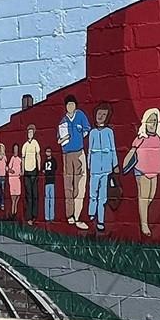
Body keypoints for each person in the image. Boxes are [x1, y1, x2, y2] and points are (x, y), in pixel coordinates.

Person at [121, 107, 160, 237]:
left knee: (150, 196)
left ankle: (143, 214)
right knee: (143, 197)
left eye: (154, 121)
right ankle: (144, 225)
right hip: (141, 171)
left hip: (155, 171)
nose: (152, 124)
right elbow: (132, 150)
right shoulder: (141, 137)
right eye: (150, 121)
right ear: (145, 122)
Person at [58, 94, 92, 227]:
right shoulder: (63, 121)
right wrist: (64, 139)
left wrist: (78, 138)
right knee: (68, 186)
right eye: (68, 105)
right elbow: (59, 139)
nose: (70, 106)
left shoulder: (80, 115)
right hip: (67, 154)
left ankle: (77, 215)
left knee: (80, 184)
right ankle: (69, 215)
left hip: (79, 153)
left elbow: (86, 129)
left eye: (72, 104)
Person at [84, 103, 118, 231]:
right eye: (99, 114)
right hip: (94, 167)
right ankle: (91, 212)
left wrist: (115, 164)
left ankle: (101, 220)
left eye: (104, 115)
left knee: (103, 196)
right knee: (93, 193)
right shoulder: (92, 132)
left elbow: (113, 148)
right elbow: (89, 150)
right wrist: (88, 165)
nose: (101, 117)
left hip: (106, 168)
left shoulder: (109, 132)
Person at [18, 124, 43, 222]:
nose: (30, 134)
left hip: (34, 170)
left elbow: (38, 155)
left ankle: (34, 215)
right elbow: (23, 159)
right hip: (27, 171)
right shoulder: (25, 145)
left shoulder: (35, 143)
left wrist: (39, 167)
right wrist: (23, 171)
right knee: (28, 194)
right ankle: (29, 216)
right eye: (29, 132)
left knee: (35, 194)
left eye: (31, 132)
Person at [6, 143, 25, 222]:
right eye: (15, 149)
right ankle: (13, 214)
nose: (16, 150)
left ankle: (15, 213)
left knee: (18, 197)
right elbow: (7, 168)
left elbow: (22, 169)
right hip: (12, 179)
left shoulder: (20, 159)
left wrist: (21, 172)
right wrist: (11, 170)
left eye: (17, 149)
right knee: (13, 198)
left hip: (17, 179)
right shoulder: (12, 158)